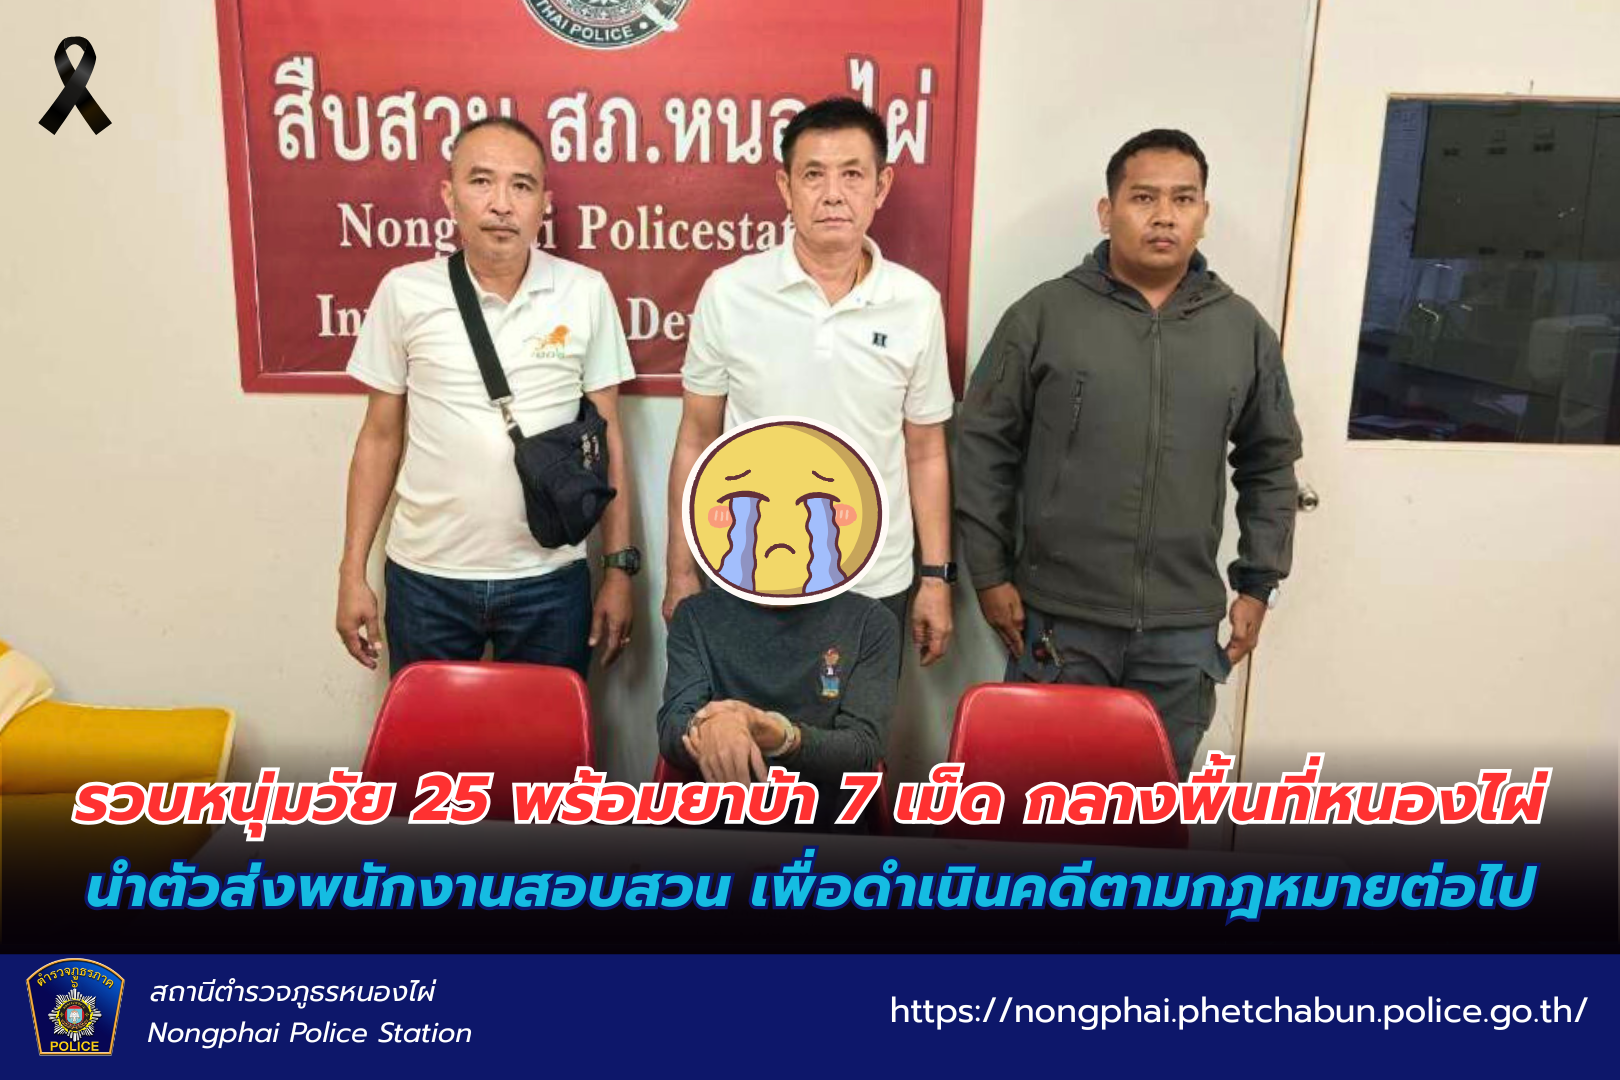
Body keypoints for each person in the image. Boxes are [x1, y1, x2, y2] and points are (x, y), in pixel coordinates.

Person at [954, 129, 1303, 779]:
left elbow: (1270, 464)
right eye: (1144, 198)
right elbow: (982, 447)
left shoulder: (1242, 330)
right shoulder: (1044, 315)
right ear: (1106, 211)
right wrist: (990, 574)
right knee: (1043, 805)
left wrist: (1259, 582)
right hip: (1060, 625)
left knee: (1148, 812)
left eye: (1183, 199)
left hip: (1180, 634)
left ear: (1204, 214)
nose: (1164, 215)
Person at [336, 117, 640, 679]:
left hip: (550, 578)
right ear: (450, 195)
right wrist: (351, 572)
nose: (501, 203)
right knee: (427, 734)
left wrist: (619, 570)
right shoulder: (405, 291)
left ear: (544, 204)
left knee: (547, 735)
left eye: (521, 186)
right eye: (481, 181)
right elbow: (378, 438)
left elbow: (608, 438)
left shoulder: (584, 292)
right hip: (427, 576)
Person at [662, 96, 957, 668]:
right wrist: (680, 570)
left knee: (856, 725)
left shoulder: (916, 303)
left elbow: (925, 451)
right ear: (786, 186)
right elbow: (697, 438)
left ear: (881, 185)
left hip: (874, 580)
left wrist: (936, 577)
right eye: (813, 174)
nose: (833, 194)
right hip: (747, 571)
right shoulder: (730, 292)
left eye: (853, 175)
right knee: (740, 726)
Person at [658, 588, 899, 831]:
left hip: (827, 820)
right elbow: (671, 731)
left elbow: (864, 750)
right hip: (718, 818)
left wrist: (781, 738)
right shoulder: (695, 614)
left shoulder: (870, 622)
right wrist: (707, 727)